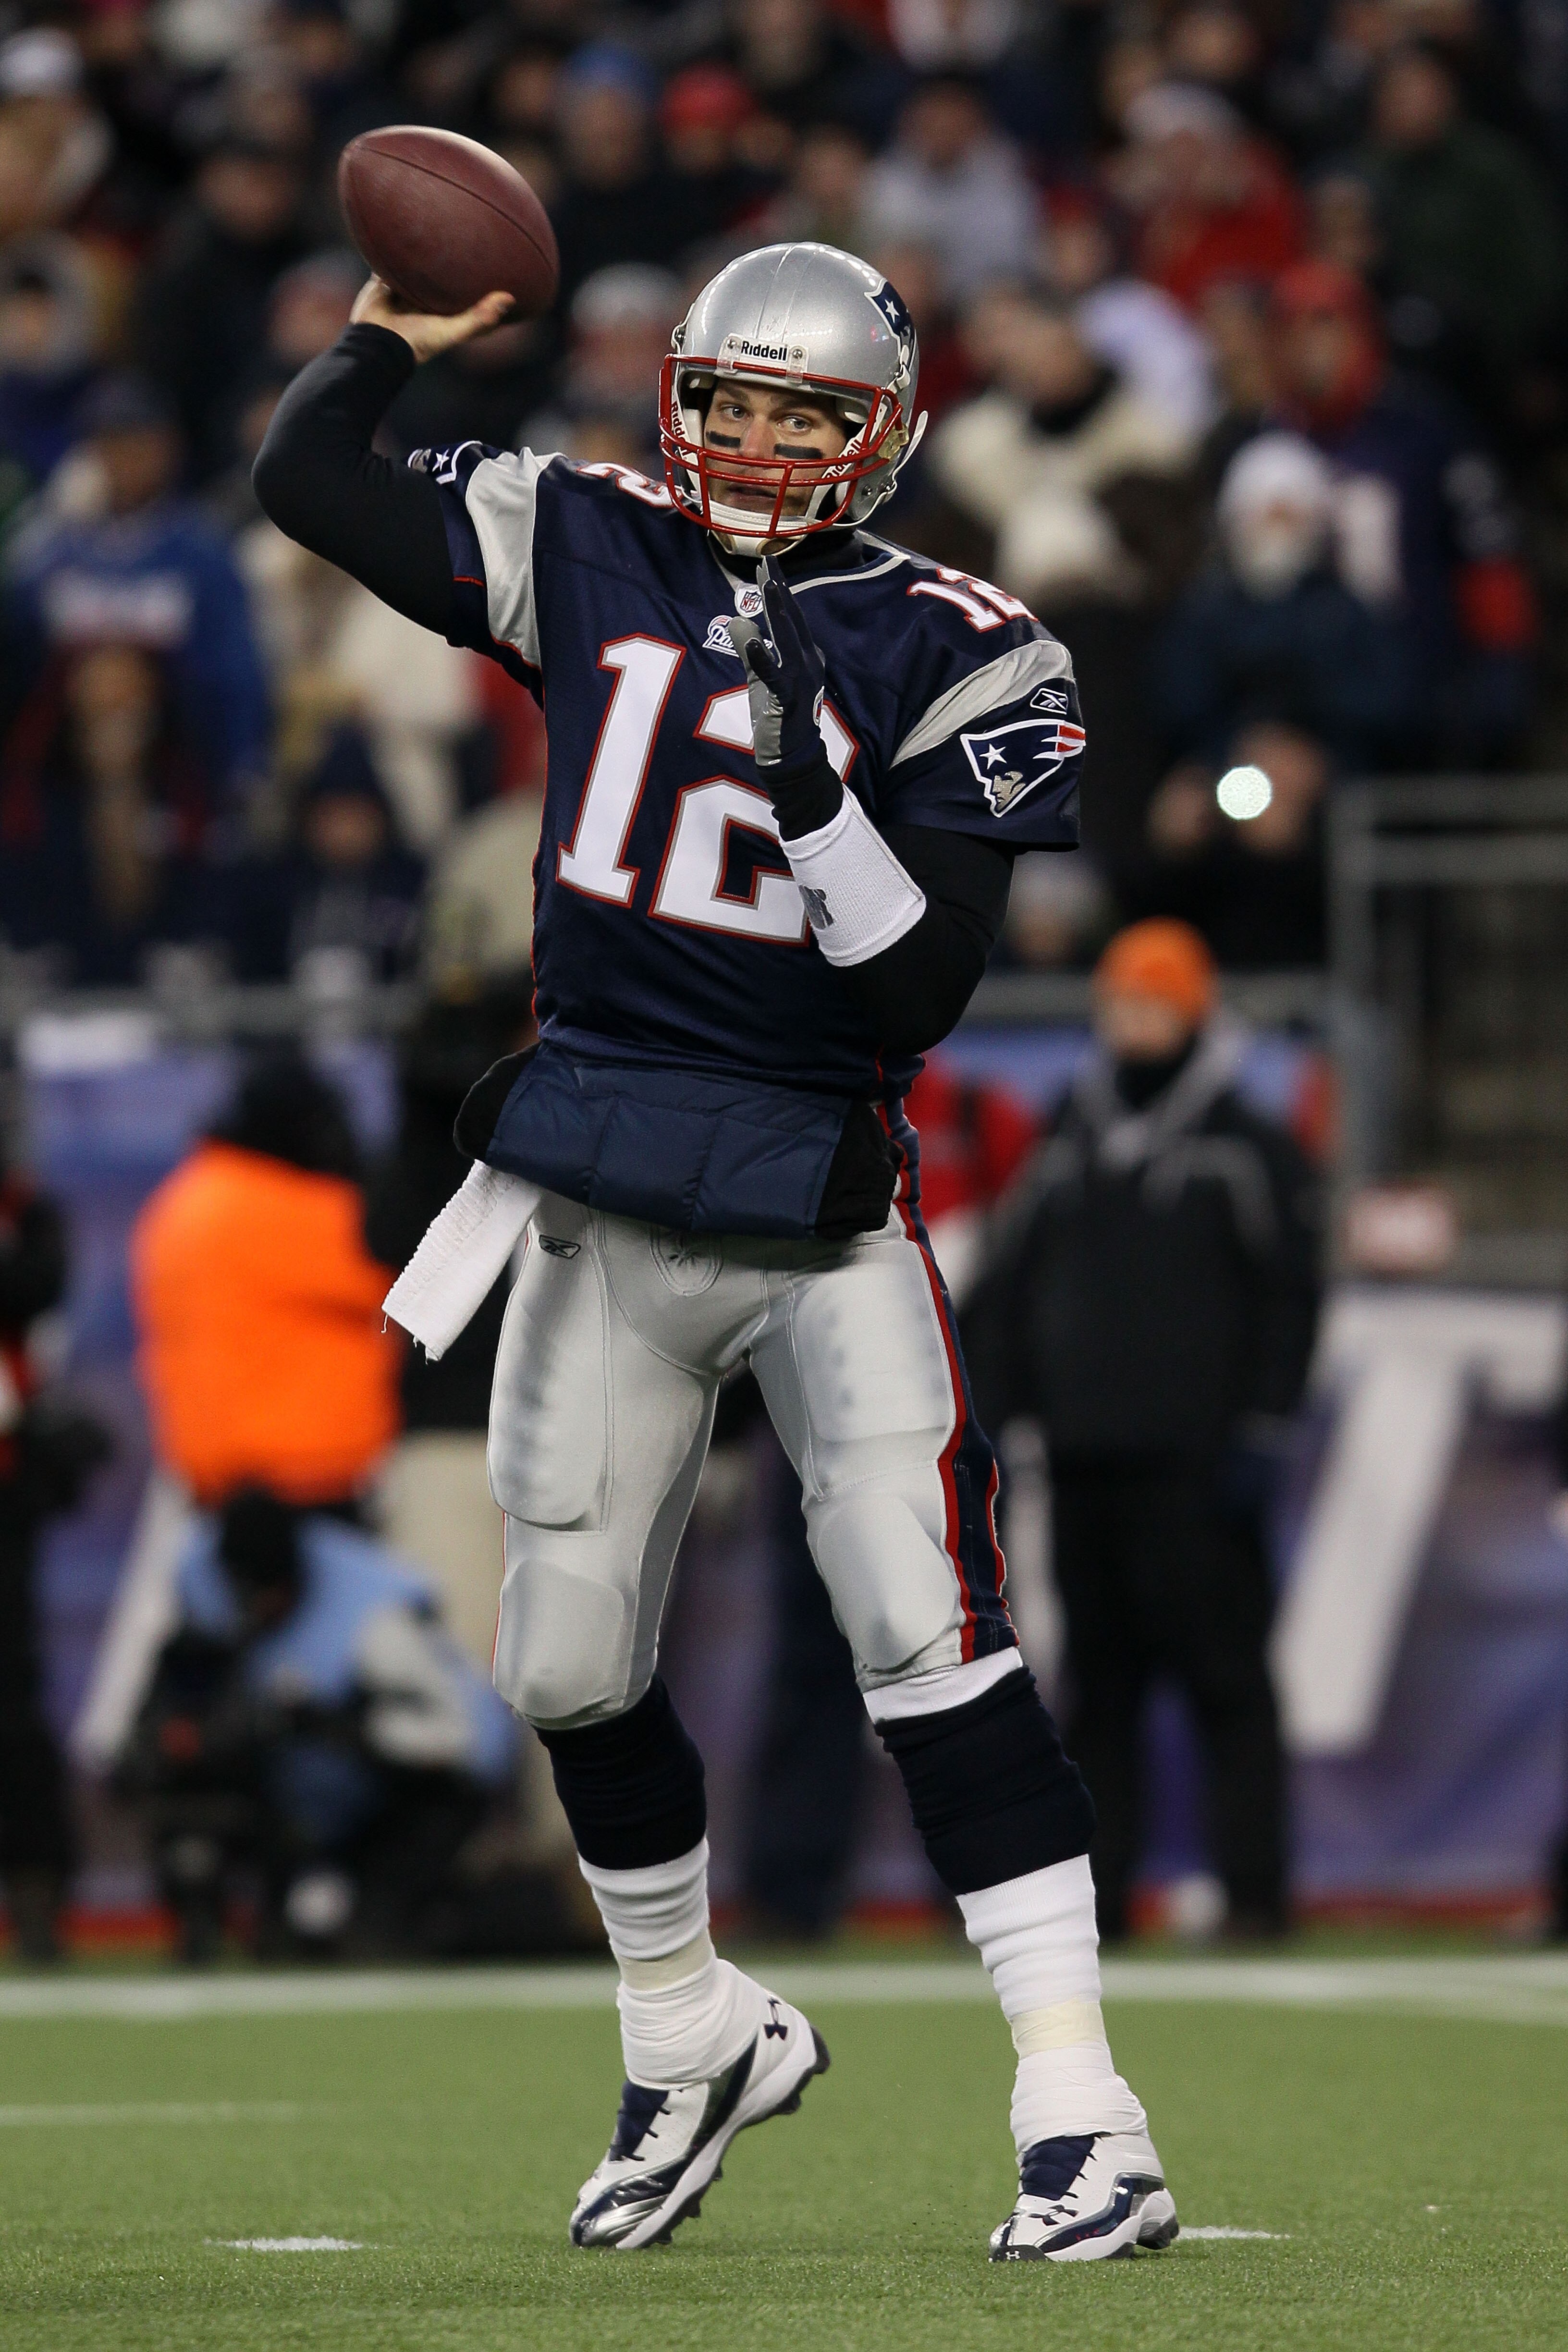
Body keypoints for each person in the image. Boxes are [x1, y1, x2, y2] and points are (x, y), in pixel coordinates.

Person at [254, 239, 1176, 2264]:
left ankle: (1078, 2099)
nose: (758, 447)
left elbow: (921, 984)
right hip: (602, 1171)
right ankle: (687, 2026)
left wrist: (811, 791)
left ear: (885, 435)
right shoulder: (591, 537)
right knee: (565, 1656)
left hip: (819, 1198)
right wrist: (385, 342)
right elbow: (310, 484)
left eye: (807, 415)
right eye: (731, 403)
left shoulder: (968, 639)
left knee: (922, 1638)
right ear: (678, 395)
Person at [964, 920, 1322, 1940]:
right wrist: (1008, 1408)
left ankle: (1257, 1896)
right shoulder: (1068, 1132)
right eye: (1121, 1001)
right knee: (1100, 1697)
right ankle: (1101, 1900)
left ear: (1196, 1010)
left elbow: (1292, 1297)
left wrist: (1264, 1426)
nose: (1135, 1021)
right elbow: (1009, 1283)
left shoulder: (1247, 1145)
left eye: (1157, 1003)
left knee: (1228, 1682)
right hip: (1085, 1460)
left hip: (1203, 1461)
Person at [125, 1485, 516, 1960]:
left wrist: (349, 1730)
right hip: (286, 1807)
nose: (257, 1609)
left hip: (376, 1804)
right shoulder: (199, 1575)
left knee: (377, 1936)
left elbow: (477, 1743)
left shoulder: (376, 1610)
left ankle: (387, 1904)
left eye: (269, 1595)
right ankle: (218, 1912)